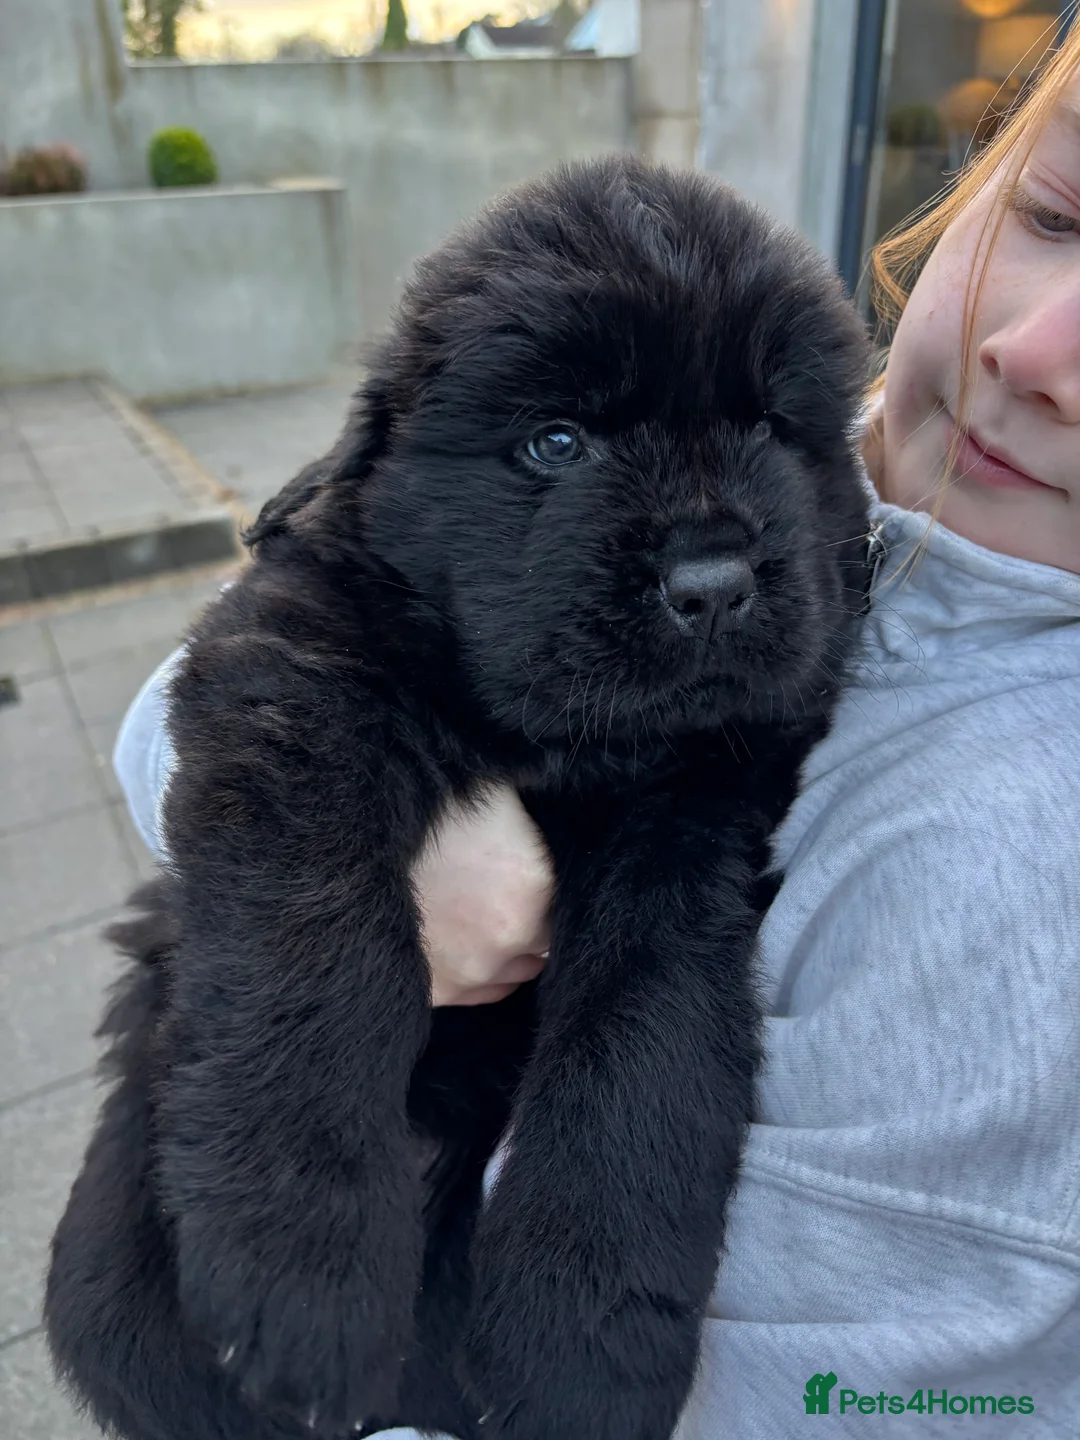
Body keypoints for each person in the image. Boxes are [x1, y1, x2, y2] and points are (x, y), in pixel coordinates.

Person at [113, 31, 1080, 1438]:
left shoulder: (1017, 886)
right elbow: (229, 672)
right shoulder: (833, 448)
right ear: (981, 179)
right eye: (1056, 216)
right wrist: (378, 864)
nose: (1039, 356)